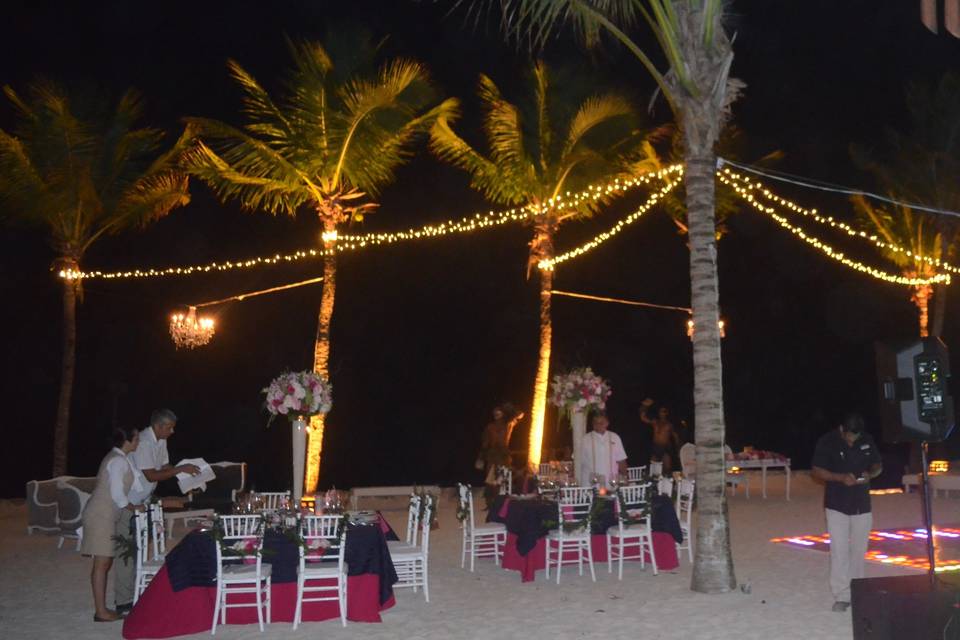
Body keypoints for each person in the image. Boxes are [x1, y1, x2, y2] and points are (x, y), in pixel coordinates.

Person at [114, 409, 199, 613]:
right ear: (159, 426)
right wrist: (180, 470)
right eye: (169, 427)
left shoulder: (161, 441)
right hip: (130, 501)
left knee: (143, 546)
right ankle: (124, 600)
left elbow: (164, 466)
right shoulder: (143, 441)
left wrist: (188, 478)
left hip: (145, 499)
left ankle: (137, 590)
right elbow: (152, 475)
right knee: (127, 550)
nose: (172, 431)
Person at [811, 413, 882, 613]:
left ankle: (858, 591)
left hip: (862, 504)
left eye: (856, 437)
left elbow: (877, 465)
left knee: (859, 550)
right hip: (836, 505)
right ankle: (842, 595)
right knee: (839, 550)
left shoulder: (867, 439)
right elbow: (817, 470)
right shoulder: (827, 441)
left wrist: (871, 473)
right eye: (850, 436)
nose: (853, 440)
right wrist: (839, 477)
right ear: (842, 429)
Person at [80, 426, 145, 622]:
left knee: (105, 562)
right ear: (127, 441)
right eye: (136, 439)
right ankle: (101, 612)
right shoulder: (117, 461)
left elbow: (137, 484)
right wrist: (134, 508)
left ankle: (102, 609)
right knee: (102, 563)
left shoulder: (121, 458)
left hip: (108, 514)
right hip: (101, 514)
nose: (138, 442)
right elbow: (117, 494)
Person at [478, 404, 524, 504]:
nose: (496, 415)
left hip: (503, 456)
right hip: (492, 455)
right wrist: (480, 458)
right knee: (491, 481)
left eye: (498, 413)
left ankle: (501, 502)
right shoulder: (490, 427)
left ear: (502, 415)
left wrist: (508, 409)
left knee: (502, 480)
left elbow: (520, 414)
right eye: (495, 414)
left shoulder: (508, 424)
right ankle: (491, 503)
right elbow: (485, 443)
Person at [578, 413, 628, 488]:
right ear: (593, 424)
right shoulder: (585, 439)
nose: (598, 425)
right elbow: (578, 462)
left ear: (607, 423)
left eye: (601, 423)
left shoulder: (614, 437)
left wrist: (625, 478)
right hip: (590, 483)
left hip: (611, 482)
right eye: (596, 423)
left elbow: (621, 460)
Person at [649, 406, 680, 474]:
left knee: (667, 468)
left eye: (664, 411)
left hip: (665, 448)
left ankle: (667, 482)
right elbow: (643, 417)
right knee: (653, 468)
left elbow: (676, 437)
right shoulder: (655, 422)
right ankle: (655, 483)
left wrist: (678, 449)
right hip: (655, 447)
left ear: (666, 413)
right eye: (661, 411)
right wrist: (644, 406)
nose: (662, 413)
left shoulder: (669, 425)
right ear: (659, 413)